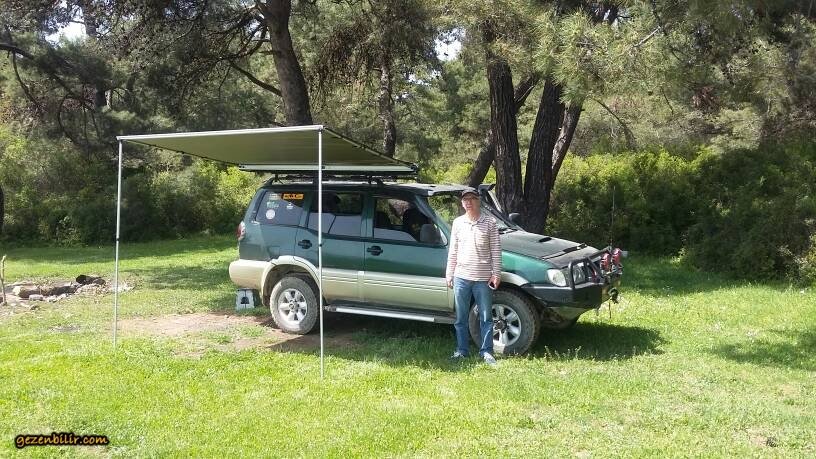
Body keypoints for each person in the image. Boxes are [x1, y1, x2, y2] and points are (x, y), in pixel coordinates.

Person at [445, 187, 502, 366]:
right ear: (462, 203)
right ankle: (462, 350)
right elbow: (453, 250)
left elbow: (496, 250)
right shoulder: (458, 223)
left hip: (483, 279)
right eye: (465, 200)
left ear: (478, 201)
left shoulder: (490, 222)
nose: (468, 202)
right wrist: (449, 273)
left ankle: (487, 352)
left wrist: (496, 274)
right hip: (461, 277)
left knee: (486, 317)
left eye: (472, 199)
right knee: (460, 318)